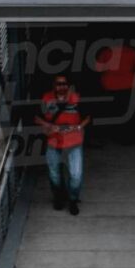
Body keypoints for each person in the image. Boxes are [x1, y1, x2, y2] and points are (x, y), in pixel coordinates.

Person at [35, 75, 91, 215]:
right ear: (53, 85)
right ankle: (58, 197)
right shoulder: (46, 98)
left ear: (69, 85)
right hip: (53, 141)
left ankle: (73, 199)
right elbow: (36, 117)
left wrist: (77, 127)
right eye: (58, 84)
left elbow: (88, 117)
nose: (62, 86)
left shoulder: (77, 98)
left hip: (74, 142)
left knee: (76, 174)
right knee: (54, 174)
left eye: (64, 84)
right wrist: (49, 126)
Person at [95, 43, 135, 143]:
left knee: (112, 112)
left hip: (110, 85)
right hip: (128, 85)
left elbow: (98, 68)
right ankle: (127, 137)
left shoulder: (106, 52)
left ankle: (113, 136)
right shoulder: (131, 51)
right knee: (127, 112)